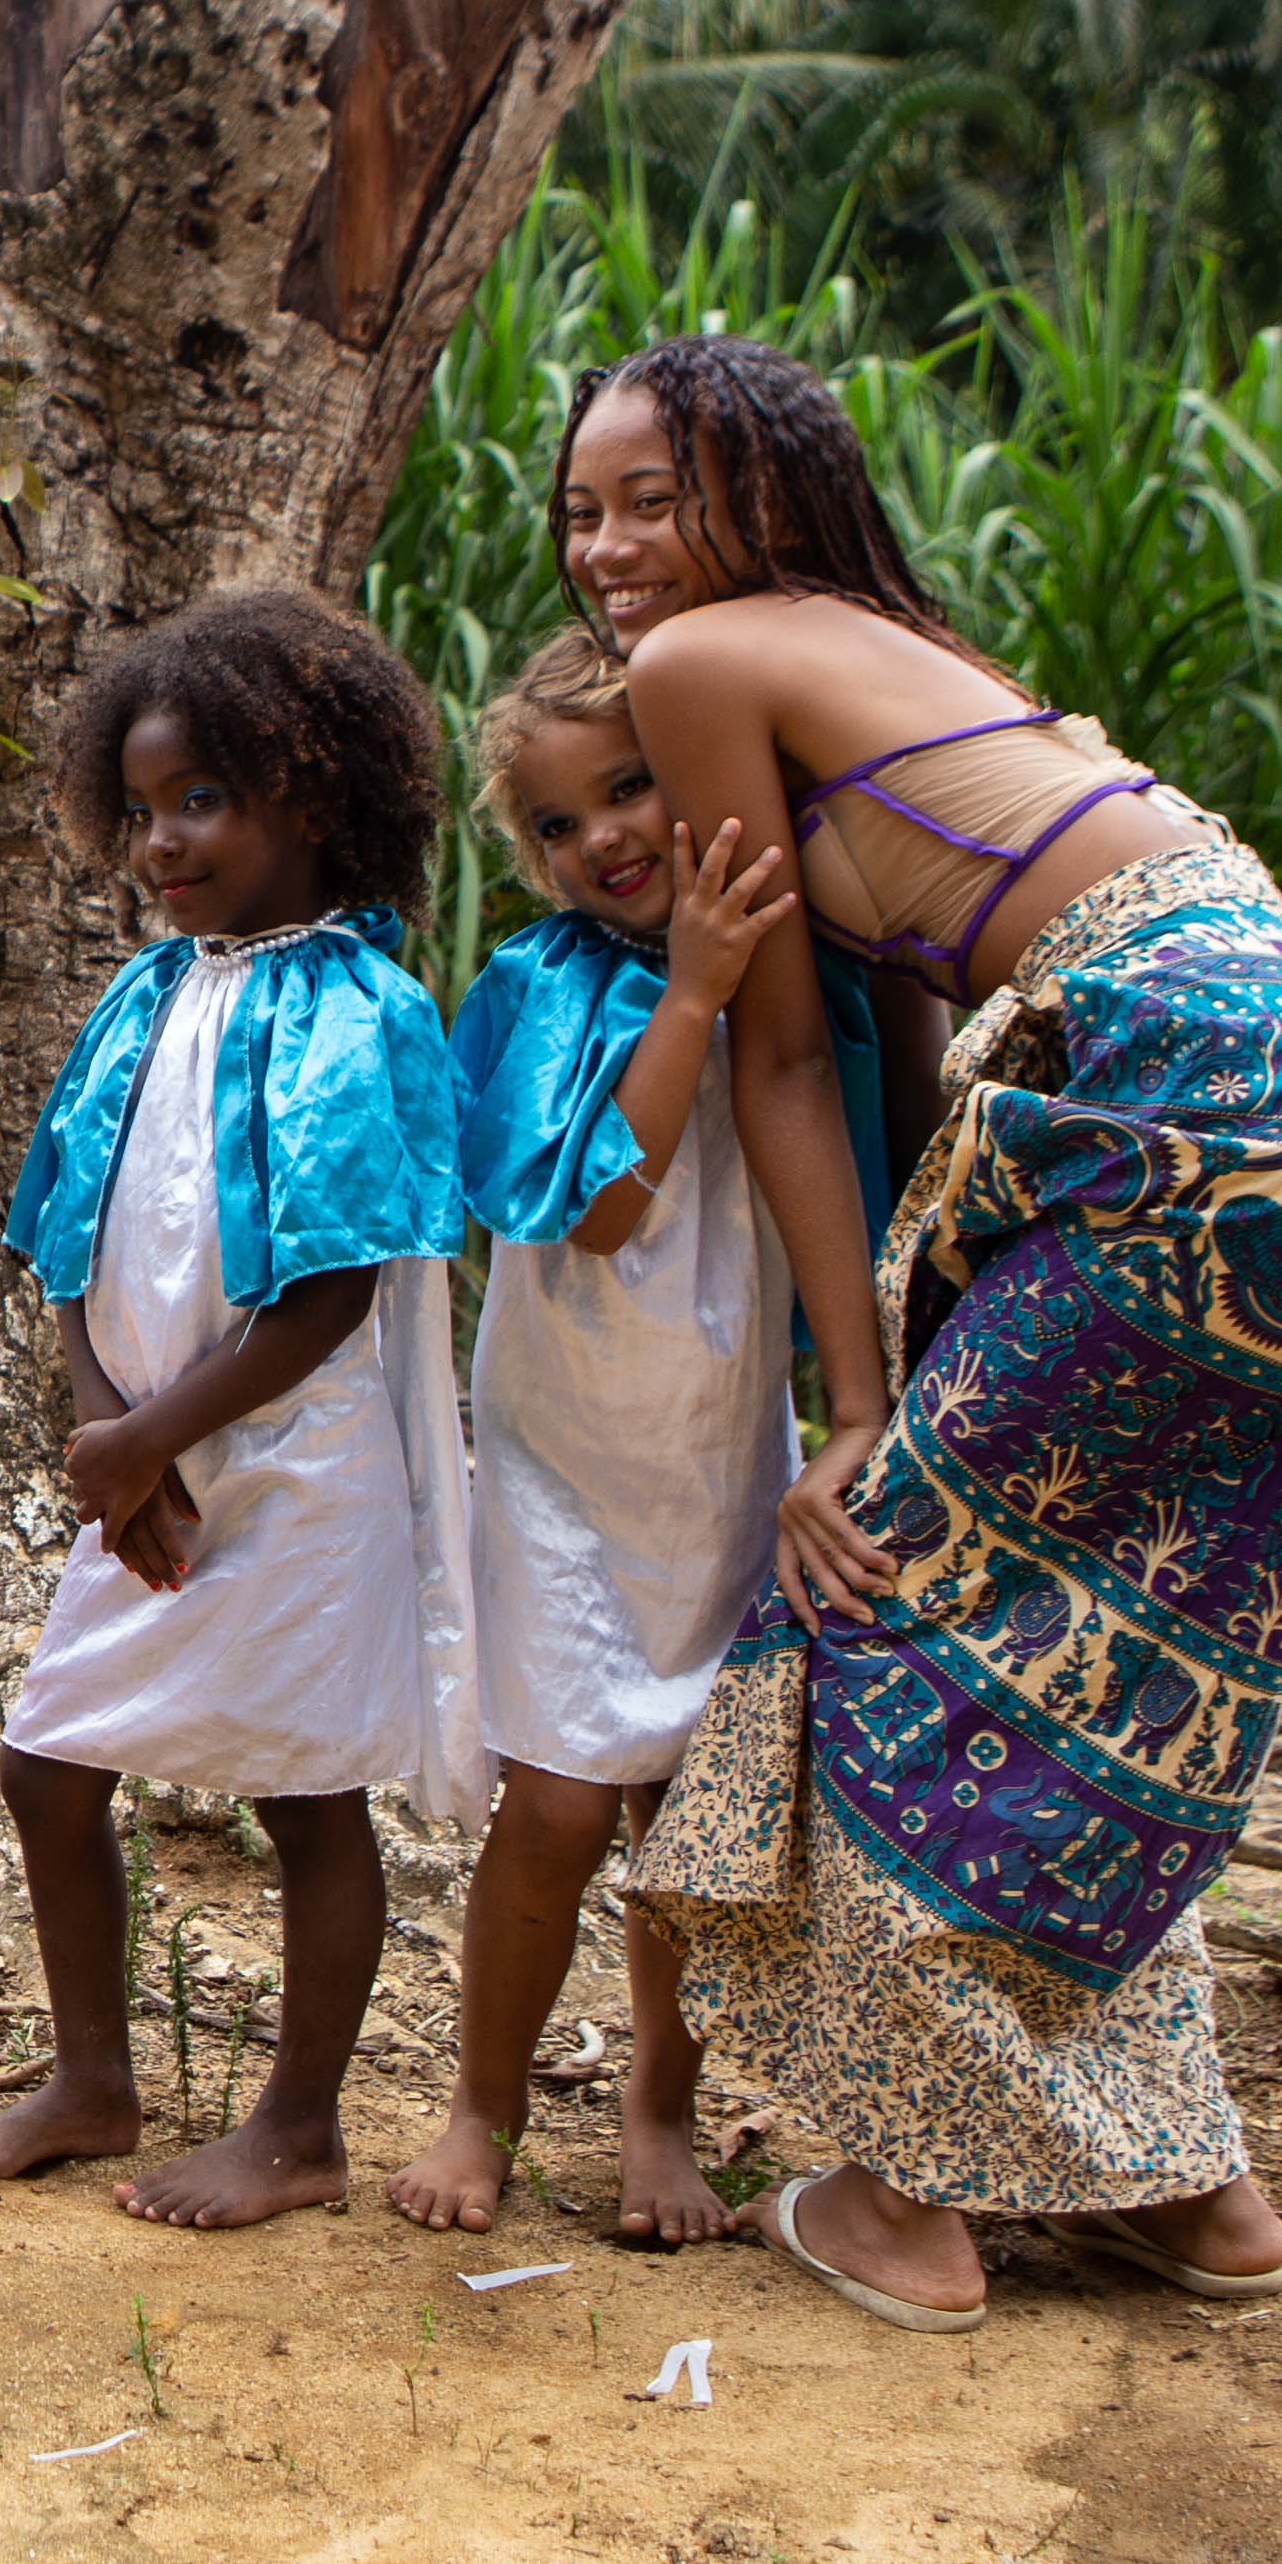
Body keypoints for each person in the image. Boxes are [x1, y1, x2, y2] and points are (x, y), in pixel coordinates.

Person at [581, 334, 1282, 2334]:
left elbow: (790, 1059)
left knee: (871, 1589)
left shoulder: (709, 666)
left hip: (1180, 1106)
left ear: (770, 496)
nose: (612, 548)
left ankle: (899, 2198)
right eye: (586, 510)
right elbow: (904, 1019)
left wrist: (859, 1407)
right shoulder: (915, 656)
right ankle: (1194, 2192)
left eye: (655, 497)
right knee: (1107, 1656)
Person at [0, 587, 484, 2227]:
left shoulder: (364, 1010)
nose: (163, 844)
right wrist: (110, 1442)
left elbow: (340, 1286)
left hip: (301, 1469)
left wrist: (156, 1436)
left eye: (206, 804)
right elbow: (66, 1237)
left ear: (316, 801)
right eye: (148, 809)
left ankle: (301, 2127)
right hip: (144, 1464)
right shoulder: (148, 994)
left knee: (307, 1797)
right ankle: (96, 2079)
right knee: (47, 1766)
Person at [383, 631, 875, 2248]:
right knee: (563, 1808)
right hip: (555, 1459)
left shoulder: (788, 970)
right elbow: (589, 1208)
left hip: (723, 1455)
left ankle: (660, 2111)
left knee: (688, 1815)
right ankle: (484, 2107)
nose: (601, 836)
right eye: (554, 824)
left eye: (633, 784)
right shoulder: (538, 988)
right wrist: (693, 998)